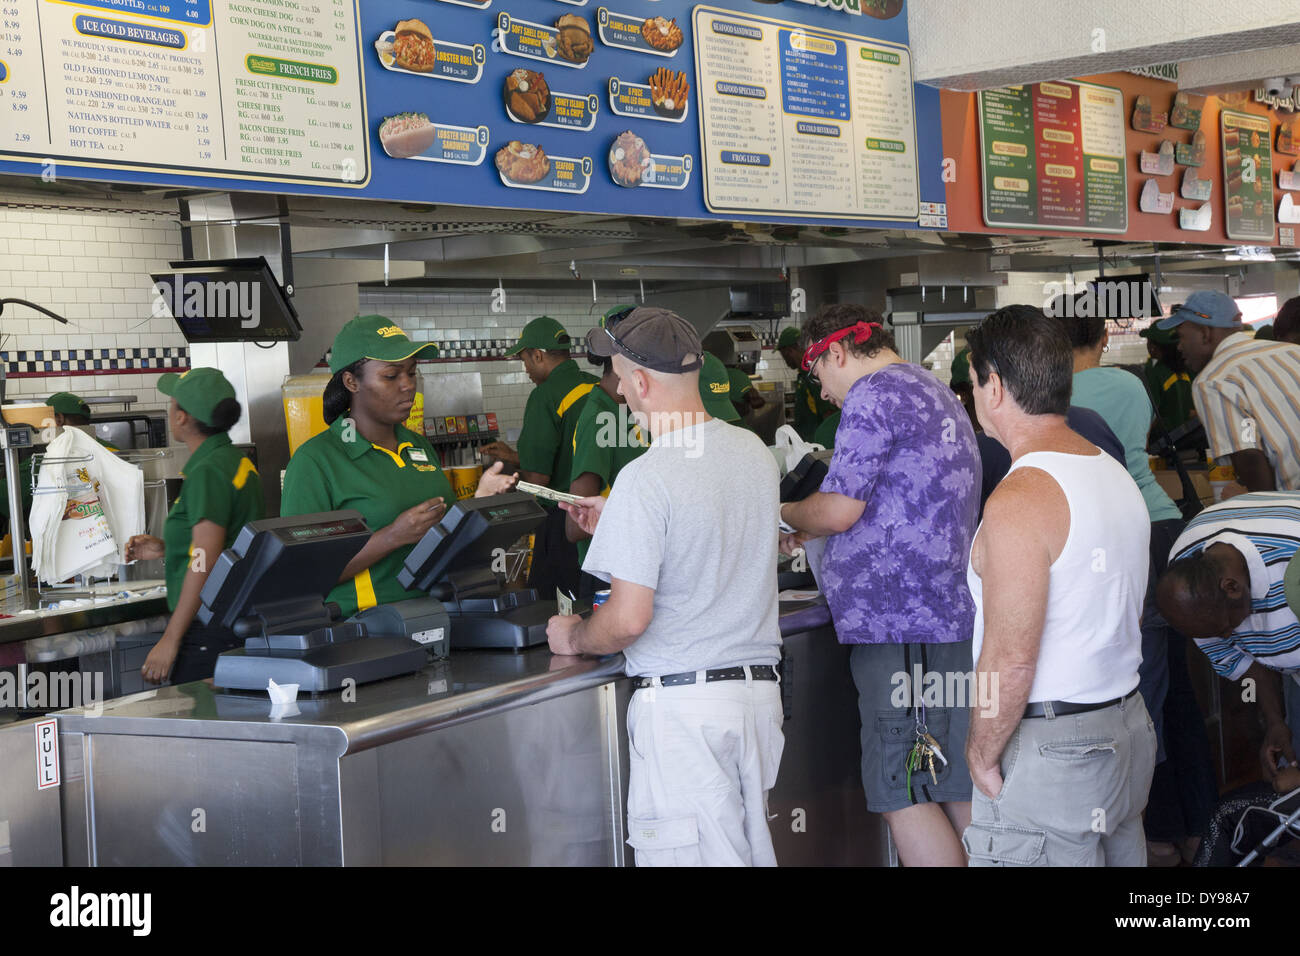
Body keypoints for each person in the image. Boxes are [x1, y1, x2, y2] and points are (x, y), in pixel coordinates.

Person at [546, 307, 784, 866]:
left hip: (686, 712)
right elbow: (711, 535)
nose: (621, 393)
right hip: (756, 701)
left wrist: (574, 636)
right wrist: (626, 522)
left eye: (623, 379)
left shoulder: (646, 477)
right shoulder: (752, 452)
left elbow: (628, 619)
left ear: (643, 382)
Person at [778, 304, 981, 866]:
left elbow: (841, 509)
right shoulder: (930, 388)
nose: (824, 395)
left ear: (835, 354)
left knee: (904, 789)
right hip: (940, 618)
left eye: (819, 377)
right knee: (952, 782)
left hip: (903, 625)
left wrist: (788, 514)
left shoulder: (874, 395)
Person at [962, 305, 1156, 866]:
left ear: (993, 384)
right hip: (1125, 726)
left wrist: (981, 752)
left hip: (1055, 746)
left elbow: (1011, 655)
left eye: (973, 380)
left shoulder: (1022, 497)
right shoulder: (1111, 471)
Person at [281, 315, 516, 618]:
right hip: (366, 631)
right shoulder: (316, 462)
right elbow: (300, 575)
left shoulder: (419, 447)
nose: (407, 386)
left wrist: (479, 504)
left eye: (411, 372)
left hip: (443, 615)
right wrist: (391, 536)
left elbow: (445, 540)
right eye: (391, 376)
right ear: (351, 382)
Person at [124, 369, 264, 684]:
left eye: (172, 403)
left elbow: (207, 559)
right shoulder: (232, 460)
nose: (169, 409)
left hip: (207, 629)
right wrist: (167, 547)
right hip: (230, 622)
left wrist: (171, 639)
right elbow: (219, 544)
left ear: (182, 418)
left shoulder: (207, 471)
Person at [1157, 492, 1300, 787]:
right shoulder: (1190, 581)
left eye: (1225, 628)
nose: (1227, 638)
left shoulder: (1290, 561)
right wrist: (1275, 722)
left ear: (1232, 588)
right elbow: (1242, 663)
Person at [481, 316, 597, 599]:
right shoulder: (596, 388)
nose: (526, 370)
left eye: (525, 361)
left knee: (557, 604)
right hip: (602, 514)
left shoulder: (544, 397)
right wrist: (516, 457)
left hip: (563, 521)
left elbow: (538, 479)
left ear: (538, 355)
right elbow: (576, 452)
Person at [1158, 290, 1300, 491]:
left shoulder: (1215, 380)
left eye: (1181, 337)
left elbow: (1250, 457)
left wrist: (1260, 514)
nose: (1179, 347)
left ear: (1205, 333)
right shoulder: (1291, 352)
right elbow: (1251, 431)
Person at [566, 305, 648, 596]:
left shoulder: (631, 410)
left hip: (641, 567)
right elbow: (575, 526)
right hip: (609, 576)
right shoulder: (597, 419)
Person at [777, 326, 834, 441]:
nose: (785, 360)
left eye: (783, 355)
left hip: (818, 444)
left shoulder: (813, 374)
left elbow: (829, 412)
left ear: (789, 351)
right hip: (809, 442)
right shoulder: (803, 375)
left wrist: (827, 443)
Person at [1137, 325, 1195, 435]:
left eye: (1148, 342)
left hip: (1163, 440)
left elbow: (1150, 415)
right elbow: (1192, 412)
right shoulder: (1187, 369)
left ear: (1153, 347)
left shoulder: (1155, 372)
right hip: (1187, 437)